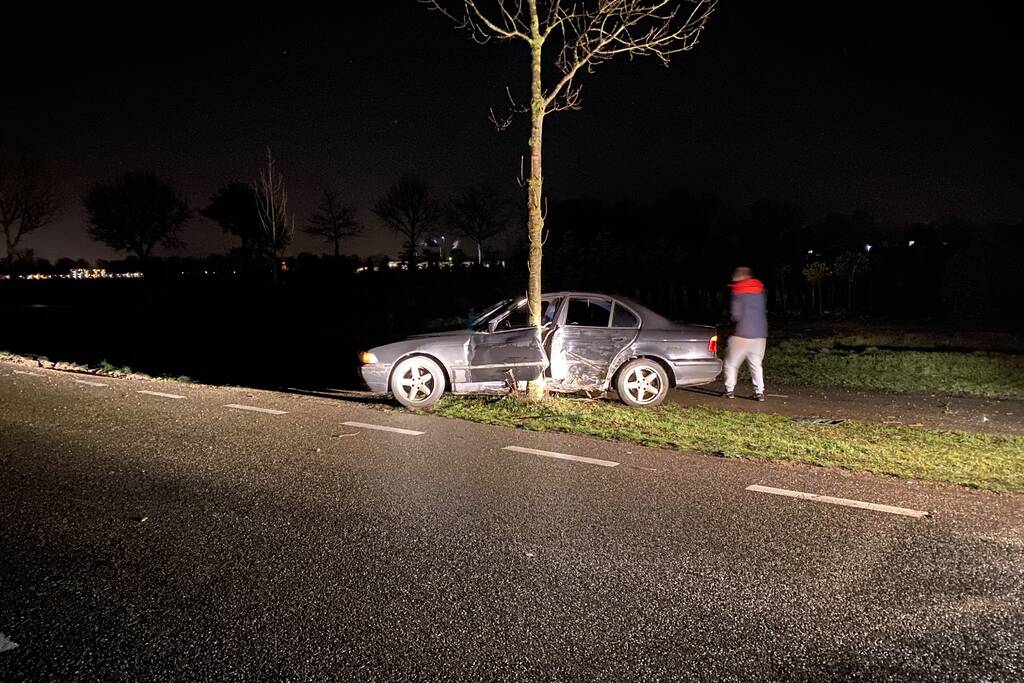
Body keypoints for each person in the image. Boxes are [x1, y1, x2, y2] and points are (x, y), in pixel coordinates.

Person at [723, 266, 768, 401]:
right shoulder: (760, 291)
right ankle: (759, 392)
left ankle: (729, 390)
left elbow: (736, 315)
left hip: (741, 333)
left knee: (731, 364)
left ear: (739, 276)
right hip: (760, 333)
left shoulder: (738, 291)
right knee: (756, 364)